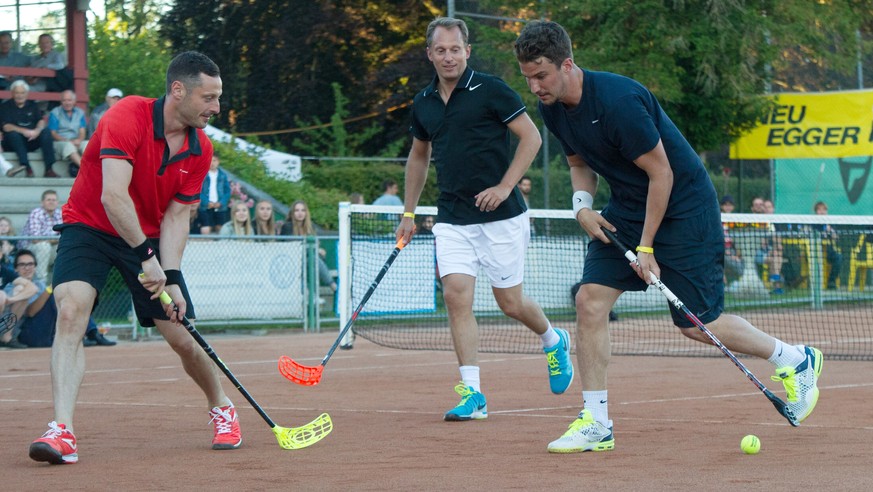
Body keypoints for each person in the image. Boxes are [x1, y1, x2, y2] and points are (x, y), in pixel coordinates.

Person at [514, 20, 822, 453]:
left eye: (541, 75)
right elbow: (579, 160)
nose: (534, 87)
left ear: (567, 63)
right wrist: (581, 205)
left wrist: (646, 248)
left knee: (699, 325)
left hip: (683, 207)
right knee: (589, 300)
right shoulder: (551, 107)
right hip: (626, 206)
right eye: (527, 77)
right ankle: (597, 423)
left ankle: (794, 359)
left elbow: (662, 172)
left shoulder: (618, 101)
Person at [28, 51, 242, 466]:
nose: (216, 107)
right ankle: (62, 430)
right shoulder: (128, 115)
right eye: (209, 97)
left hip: (150, 237)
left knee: (182, 336)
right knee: (71, 310)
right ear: (178, 90)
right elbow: (112, 196)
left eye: (218, 97)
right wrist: (147, 258)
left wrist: (172, 275)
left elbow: (178, 215)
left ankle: (221, 406)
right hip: (90, 225)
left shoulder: (200, 149)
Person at [396, 17, 572, 423]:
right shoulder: (423, 102)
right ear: (430, 54)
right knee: (457, 298)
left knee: (510, 302)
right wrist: (409, 212)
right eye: (440, 50)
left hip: (502, 218)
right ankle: (473, 394)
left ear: (467, 51)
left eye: (455, 49)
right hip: (452, 218)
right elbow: (419, 156)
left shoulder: (491, 89)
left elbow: (532, 137)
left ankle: (552, 338)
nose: (448, 56)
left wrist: (507, 186)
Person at [0, 80, 58, 177]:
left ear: (26, 94)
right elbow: (6, 126)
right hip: (14, 142)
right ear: (12, 93)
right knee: (13, 135)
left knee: (46, 132)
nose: (20, 95)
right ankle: (27, 167)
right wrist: (24, 131)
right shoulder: (5, 107)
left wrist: (37, 131)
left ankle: (49, 169)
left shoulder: (33, 105)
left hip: (31, 139)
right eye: (17, 93)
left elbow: (41, 121)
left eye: (22, 93)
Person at [280, 200, 337, 292]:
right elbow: (293, 247)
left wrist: (317, 249)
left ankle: (331, 286)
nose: (300, 213)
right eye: (297, 210)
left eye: (303, 210)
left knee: (313, 258)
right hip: (290, 260)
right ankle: (307, 293)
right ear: (292, 213)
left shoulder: (310, 228)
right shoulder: (287, 226)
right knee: (311, 257)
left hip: (307, 258)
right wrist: (316, 249)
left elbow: (314, 246)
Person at [18, 190, 63, 281]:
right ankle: (41, 281)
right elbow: (35, 239)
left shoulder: (60, 213)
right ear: (42, 202)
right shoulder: (36, 213)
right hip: (29, 249)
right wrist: (55, 240)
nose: (51, 202)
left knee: (65, 246)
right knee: (44, 246)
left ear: (57, 202)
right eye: (48, 200)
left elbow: (65, 236)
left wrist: (54, 240)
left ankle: (63, 280)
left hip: (50, 248)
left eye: (54, 200)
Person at [1, 252, 38, 348]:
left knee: (22, 291)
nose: (27, 268)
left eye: (30, 264)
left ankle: (6, 338)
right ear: (16, 268)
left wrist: (11, 299)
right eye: (22, 265)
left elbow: (33, 288)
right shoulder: (11, 285)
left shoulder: (4, 271)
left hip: (6, 317)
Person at [48, 90, 89, 177]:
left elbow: (82, 131)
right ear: (61, 102)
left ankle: (92, 168)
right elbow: (53, 134)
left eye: (69, 100)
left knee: (88, 144)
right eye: (64, 100)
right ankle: (87, 169)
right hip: (60, 142)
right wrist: (67, 141)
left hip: (76, 140)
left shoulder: (80, 113)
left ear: (74, 101)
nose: (67, 103)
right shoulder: (55, 113)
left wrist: (79, 140)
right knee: (68, 146)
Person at [198, 154, 231, 234]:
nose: (212, 163)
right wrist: (206, 202)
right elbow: (198, 190)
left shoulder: (223, 175)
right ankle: (206, 244)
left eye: (214, 160)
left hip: (220, 206)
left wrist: (221, 202)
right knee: (206, 227)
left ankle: (219, 245)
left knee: (220, 227)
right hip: (206, 206)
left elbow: (227, 191)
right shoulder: (202, 174)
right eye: (209, 161)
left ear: (218, 162)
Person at [814, 201, 842, 289]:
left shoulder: (830, 223)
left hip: (829, 253)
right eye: (819, 209)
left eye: (824, 209)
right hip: (815, 253)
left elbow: (836, 237)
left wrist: (830, 231)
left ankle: (831, 281)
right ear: (816, 212)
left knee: (839, 257)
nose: (822, 212)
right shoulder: (812, 223)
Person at [720, 195, 744, 286]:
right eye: (725, 205)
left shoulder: (736, 221)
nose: (728, 207)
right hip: (721, 250)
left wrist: (737, 255)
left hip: (733, 251)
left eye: (730, 205)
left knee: (742, 263)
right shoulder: (717, 219)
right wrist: (727, 253)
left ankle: (740, 283)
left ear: (733, 207)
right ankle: (723, 283)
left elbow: (739, 242)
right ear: (722, 206)